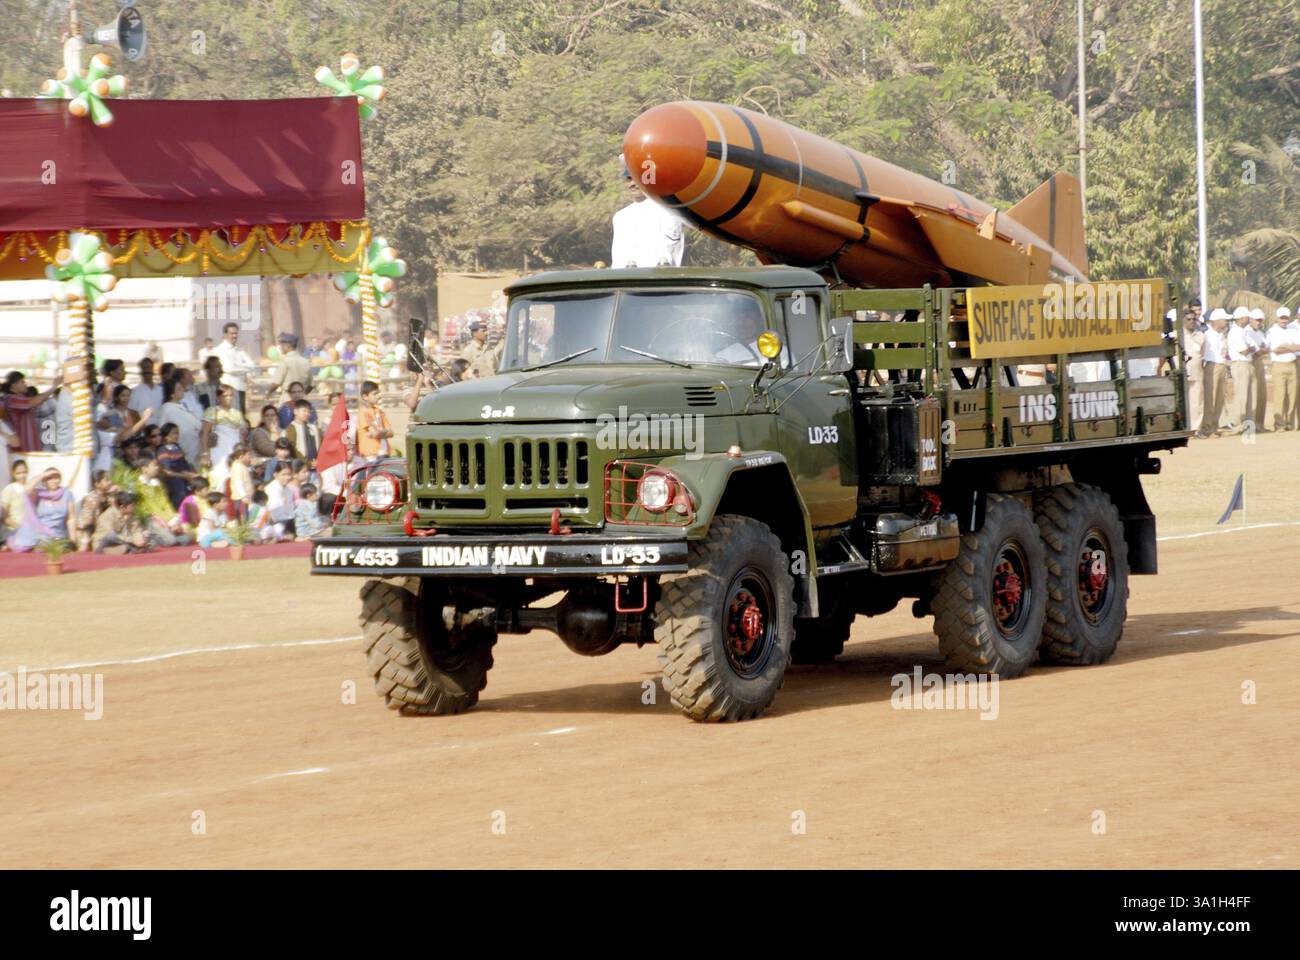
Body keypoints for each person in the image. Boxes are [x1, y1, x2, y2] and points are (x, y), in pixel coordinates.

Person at [610, 158, 688, 268]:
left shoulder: (668, 213)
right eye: (629, 179)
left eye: (637, 178)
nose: (632, 183)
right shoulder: (620, 217)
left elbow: (670, 254)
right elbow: (617, 259)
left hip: (655, 281)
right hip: (625, 281)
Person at [8, 466, 75, 552]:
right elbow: (27, 490)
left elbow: (71, 518)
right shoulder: (39, 493)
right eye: (49, 478)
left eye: (56, 478)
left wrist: (73, 539)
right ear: (44, 481)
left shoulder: (67, 493)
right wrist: (43, 475)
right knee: (32, 547)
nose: (53, 481)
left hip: (57, 534)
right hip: (39, 532)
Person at [199, 385, 248, 488]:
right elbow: (205, 432)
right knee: (219, 475)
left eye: (231, 395)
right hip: (219, 450)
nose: (229, 398)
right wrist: (205, 453)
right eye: (225, 396)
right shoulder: (213, 411)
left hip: (234, 449)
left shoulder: (237, 413)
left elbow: (241, 435)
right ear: (218, 398)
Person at [1, 370, 61, 452]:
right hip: (23, 450)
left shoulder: (20, 397)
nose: (25, 384)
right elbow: (33, 402)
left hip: (30, 448)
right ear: (14, 385)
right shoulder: (11, 399)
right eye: (22, 382)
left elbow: (36, 401)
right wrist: (53, 387)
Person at [158, 377, 204, 465]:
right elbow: (162, 430)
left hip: (195, 446)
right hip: (181, 448)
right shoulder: (166, 409)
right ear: (172, 394)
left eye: (181, 387)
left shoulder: (184, 406)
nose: (182, 390)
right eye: (179, 389)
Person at [1198, 309, 1230, 438]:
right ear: (1215, 321)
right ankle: (1206, 428)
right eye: (1224, 320)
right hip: (1211, 366)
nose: (1226, 322)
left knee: (1219, 398)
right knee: (1209, 399)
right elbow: (1202, 353)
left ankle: (1214, 426)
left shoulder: (1221, 335)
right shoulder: (1207, 335)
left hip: (1221, 365)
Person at [1226, 306, 1258, 434]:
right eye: (1247, 317)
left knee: (1250, 395)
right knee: (1241, 395)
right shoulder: (1235, 332)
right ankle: (1238, 424)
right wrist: (1250, 348)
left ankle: (1248, 425)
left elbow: (1253, 347)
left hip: (1247, 364)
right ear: (1241, 318)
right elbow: (1245, 350)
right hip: (1240, 364)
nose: (1249, 319)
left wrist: (1250, 348)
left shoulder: (1244, 331)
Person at [1267, 307, 1300, 431]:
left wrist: (1285, 347)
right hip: (1279, 365)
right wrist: (1291, 347)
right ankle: (1279, 424)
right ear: (1277, 318)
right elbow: (1276, 350)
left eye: (1286, 318)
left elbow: (1298, 346)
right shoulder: (1272, 331)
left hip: (1292, 364)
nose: (1284, 320)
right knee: (1280, 396)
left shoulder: (1292, 330)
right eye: (1282, 318)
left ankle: (1289, 423)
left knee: (1293, 396)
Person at [213, 322, 257, 413]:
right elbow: (229, 368)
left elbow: (252, 365)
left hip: (240, 388)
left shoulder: (239, 350)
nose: (234, 336)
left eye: (236, 333)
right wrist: (244, 367)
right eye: (232, 333)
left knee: (241, 417)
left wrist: (237, 367)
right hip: (228, 391)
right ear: (225, 334)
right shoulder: (220, 350)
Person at [157, 423, 200, 508]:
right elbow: (167, 472)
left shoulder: (177, 447)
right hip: (176, 482)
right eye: (174, 433)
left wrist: (193, 473)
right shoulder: (163, 451)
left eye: (177, 433)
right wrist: (184, 476)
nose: (177, 435)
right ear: (166, 436)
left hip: (186, 478)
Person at [76, 469, 116, 551]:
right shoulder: (91, 499)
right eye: (106, 480)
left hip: (108, 532)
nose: (110, 482)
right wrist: (85, 542)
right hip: (93, 535)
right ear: (97, 484)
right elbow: (86, 522)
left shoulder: (111, 497)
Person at [355, 380, 393, 462]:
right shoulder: (363, 412)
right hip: (371, 455)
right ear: (365, 397)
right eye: (374, 394)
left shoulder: (379, 411)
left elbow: (391, 433)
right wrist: (384, 431)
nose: (378, 396)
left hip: (384, 452)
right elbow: (373, 433)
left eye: (378, 393)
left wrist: (379, 432)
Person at [1182, 306, 1206, 431]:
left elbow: (1202, 354)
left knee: (1197, 402)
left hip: (1197, 372)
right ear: (1183, 320)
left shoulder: (1200, 335)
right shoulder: (1178, 335)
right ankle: (1184, 427)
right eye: (1188, 319)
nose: (1191, 321)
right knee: (1182, 401)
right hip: (1183, 372)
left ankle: (1196, 429)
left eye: (1193, 319)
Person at [271, 333, 312, 399]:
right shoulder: (305, 361)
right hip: (302, 400)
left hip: (288, 397)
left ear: (287, 346)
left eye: (282, 345)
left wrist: (269, 392)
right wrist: (303, 394)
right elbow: (311, 385)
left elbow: (276, 383)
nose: (280, 347)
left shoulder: (284, 361)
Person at [128, 358, 164, 426]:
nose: (147, 370)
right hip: (144, 430)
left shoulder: (161, 390)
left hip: (160, 429)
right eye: (144, 368)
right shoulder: (135, 392)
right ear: (141, 370)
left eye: (149, 367)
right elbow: (132, 412)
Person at [1248, 308, 1269, 430]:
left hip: (1260, 363)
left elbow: (1266, 349)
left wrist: (1261, 350)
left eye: (1261, 321)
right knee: (1253, 394)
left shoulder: (1261, 333)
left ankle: (1260, 424)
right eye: (1257, 320)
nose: (1259, 323)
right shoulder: (1247, 332)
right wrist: (1260, 350)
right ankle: (1252, 424)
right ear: (1251, 319)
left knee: (1262, 394)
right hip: (1251, 363)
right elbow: (1256, 351)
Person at [264, 462, 297, 537]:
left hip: (288, 519)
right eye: (284, 475)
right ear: (276, 475)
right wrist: (281, 501)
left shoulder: (289, 489)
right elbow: (271, 510)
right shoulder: (271, 488)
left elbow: (290, 509)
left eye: (289, 474)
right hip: (275, 522)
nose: (287, 477)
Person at [1, 457, 28, 547]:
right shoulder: (9, 489)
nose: (22, 475)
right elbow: (4, 517)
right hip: (13, 531)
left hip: (30, 529)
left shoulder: (30, 488)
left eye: (24, 472)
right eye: (18, 473)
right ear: (13, 474)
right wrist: (20, 528)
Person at [226, 444, 255, 520]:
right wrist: (243, 496)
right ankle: (242, 530)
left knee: (246, 515)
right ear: (241, 457)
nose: (250, 458)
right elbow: (238, 483)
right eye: (249, 456)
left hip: (246, 497)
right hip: (240, 497)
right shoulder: (237, 467)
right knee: (242, 515)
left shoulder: (242, 466)